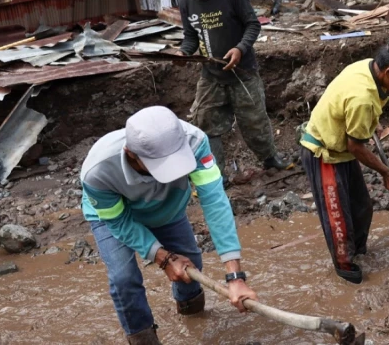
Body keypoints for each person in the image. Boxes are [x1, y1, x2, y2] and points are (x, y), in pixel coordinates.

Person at [80, 106, 258, 345]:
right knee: (124, 279)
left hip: (166, 205)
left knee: (190, 262)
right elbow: (118, 221)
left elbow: (215, 201)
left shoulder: (195, 141)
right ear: (131, 154)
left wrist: (235, 277)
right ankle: (144, 339)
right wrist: (162, 258)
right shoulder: (98, 170)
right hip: (114, 216)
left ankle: (193, 320)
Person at [299, 33, 389, 283]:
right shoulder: (362, 97)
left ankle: (358, 252)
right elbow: (356, 146)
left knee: (361, 208)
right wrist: (387, 172)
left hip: (343, 146)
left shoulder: (367, 67)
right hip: (325, 153)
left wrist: (368, 123)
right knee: (339, 220)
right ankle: (347, 271)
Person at [173, 0, 289, 172]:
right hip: (211, 76)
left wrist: (239, 49)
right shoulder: (186, 2)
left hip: (242, 73)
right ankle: (217, 174)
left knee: (254, 121)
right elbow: (191, 37)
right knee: (205, 123)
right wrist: (183, 53)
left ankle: (270, 159)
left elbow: (252, 24)